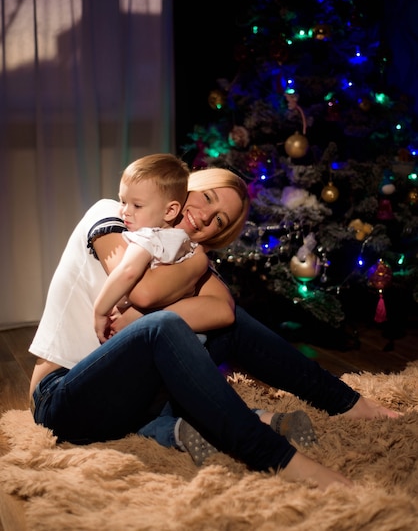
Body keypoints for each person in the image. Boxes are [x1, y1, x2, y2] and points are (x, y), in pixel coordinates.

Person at [28, 159, 399, 491]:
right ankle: (274, 455)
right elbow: (137, 299)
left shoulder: (179, 251)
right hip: (62, 397)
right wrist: (195, 265)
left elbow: (224, 311)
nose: (206, 216)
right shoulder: (116, 214)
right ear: (186, 186)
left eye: (219, 220)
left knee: (211, 326)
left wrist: (192, 260)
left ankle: (345, 402)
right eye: (206, 197)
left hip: (124, 400)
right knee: (165, 327)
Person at [93, 154, 198, 343]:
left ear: (169, 211)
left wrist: (100, 311)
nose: (124, 211)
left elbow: (127, 272)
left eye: (137, 205)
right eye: (123, 201)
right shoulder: (184, 242)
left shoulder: (149, 237)